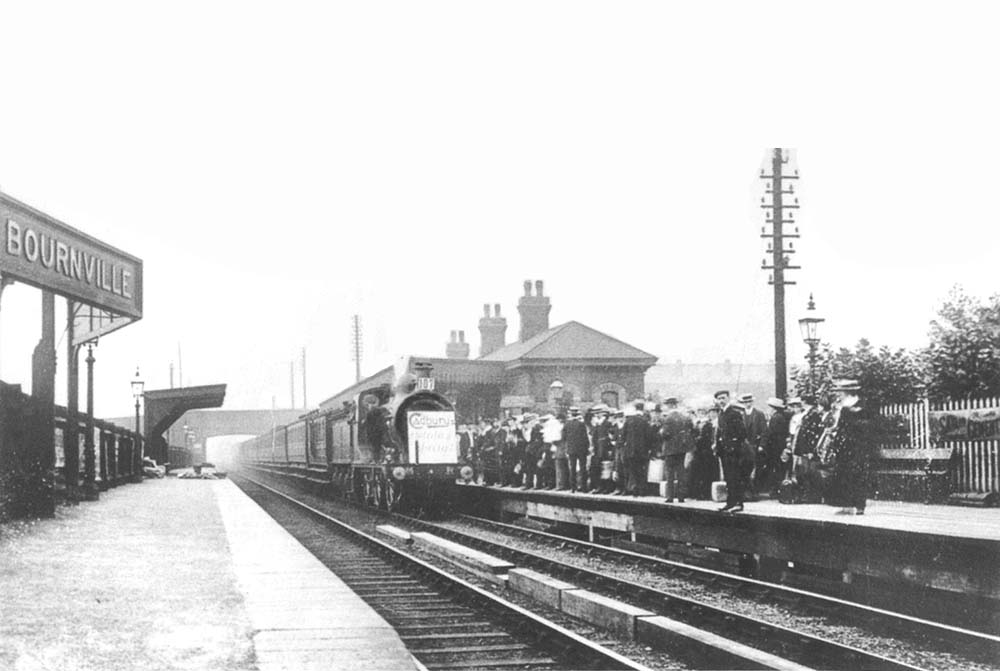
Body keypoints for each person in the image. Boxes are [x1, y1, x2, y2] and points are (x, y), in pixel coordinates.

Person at [821, 379, 879, 515]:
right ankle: (847, 505)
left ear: (847, 391)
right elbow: (840, 428)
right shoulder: (843, 407)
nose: (838, 394)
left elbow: (871, 425)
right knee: (844, 474)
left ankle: (859, 505)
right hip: (846, 446)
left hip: (860, 446)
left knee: (858, 475)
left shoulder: (863, 405)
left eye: (840, 392)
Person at [714, 390, 751, 512]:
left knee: (736, 477)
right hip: (724, 451)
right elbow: (720, 432)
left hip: (734, 451)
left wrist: (733, 445)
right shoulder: (721, 414)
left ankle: (739, 503)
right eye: (719, 398)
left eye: (723, 398)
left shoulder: (734, 413)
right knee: (728, 478)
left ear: (728, 398)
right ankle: (730, 502)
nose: (721, 400)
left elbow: (742, 433)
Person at [660, 397, 696, 502]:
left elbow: (665, 434)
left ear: (670, 406)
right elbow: (692, 431)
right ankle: (681, 497)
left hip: (670, 450)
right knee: (681, 473)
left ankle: (670, 496)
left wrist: (661, 432)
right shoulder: (684, 417)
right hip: (682, 449)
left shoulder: (667, 418)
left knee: (670, 474)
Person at [759, 398, 790, 496]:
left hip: (775, 448)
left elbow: (772, 433)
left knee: (776, 469)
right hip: (777, 446)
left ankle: (775, 490)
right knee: (777, 468)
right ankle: (776, 490)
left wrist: (764, 445)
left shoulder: (776, 418)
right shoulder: (779, 417)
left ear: (773, 408)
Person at [621, 401, 651, 496]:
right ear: (642, 409)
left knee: (633, 471)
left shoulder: (629, 421)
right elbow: (648, 437)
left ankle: (634, 490)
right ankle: (642, 491)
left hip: (630, 451)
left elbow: (623, 437)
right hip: (642, 451)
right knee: (642, 470)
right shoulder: (645, 421)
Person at [690, 406, 719, 500]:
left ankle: (704, 494)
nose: (700, 414)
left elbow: (704, 438)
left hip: (705, 452)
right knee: (698, 473)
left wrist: (696, 440)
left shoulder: (708, 425)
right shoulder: (698, 424)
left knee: (705, 473)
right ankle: (698, 493)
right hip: (699, 452)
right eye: (699, 412)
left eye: (702, 412)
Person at [564, 407, 589, 492]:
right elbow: (585, 437)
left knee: (573, 468)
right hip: (581, 449)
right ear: (577, 414)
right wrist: (587, 447)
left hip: (571, 449)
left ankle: (573, 488)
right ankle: (584, 487)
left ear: (571, 414)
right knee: (583, 468)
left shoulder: (567, 424)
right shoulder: (581, 424)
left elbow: (564, 437)